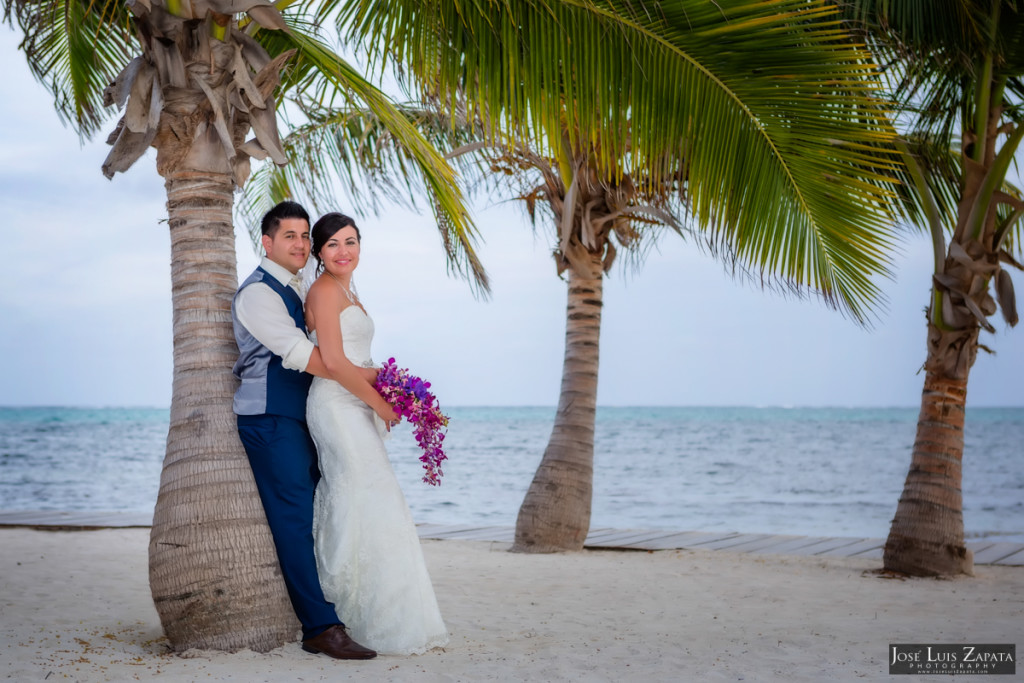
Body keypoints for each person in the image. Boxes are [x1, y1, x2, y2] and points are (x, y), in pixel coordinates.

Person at [231, 200, 377, 660]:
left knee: (323, 513)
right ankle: (319, 628)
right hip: (271, 420)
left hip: (306, 417)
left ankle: (335, 608)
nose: (298, 243)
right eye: (288, 236)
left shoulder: (300, 289)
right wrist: (377, 380)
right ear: (267, 242)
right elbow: (306, 357)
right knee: (294, 523)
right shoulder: (258, 293)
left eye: (302, 235)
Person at [304, 212, 449, 655]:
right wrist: (383, 402)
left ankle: (369, 613)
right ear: (318, 252)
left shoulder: (349, 287)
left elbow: (355, 359)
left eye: (351, 241)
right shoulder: (325, 290)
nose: (344, 251)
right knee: (363, 495)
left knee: (371, 499)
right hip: (335, 405)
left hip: (356, 402)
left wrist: (388, 389)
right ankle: (339, 611)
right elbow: (332, 362)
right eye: (332, 244)